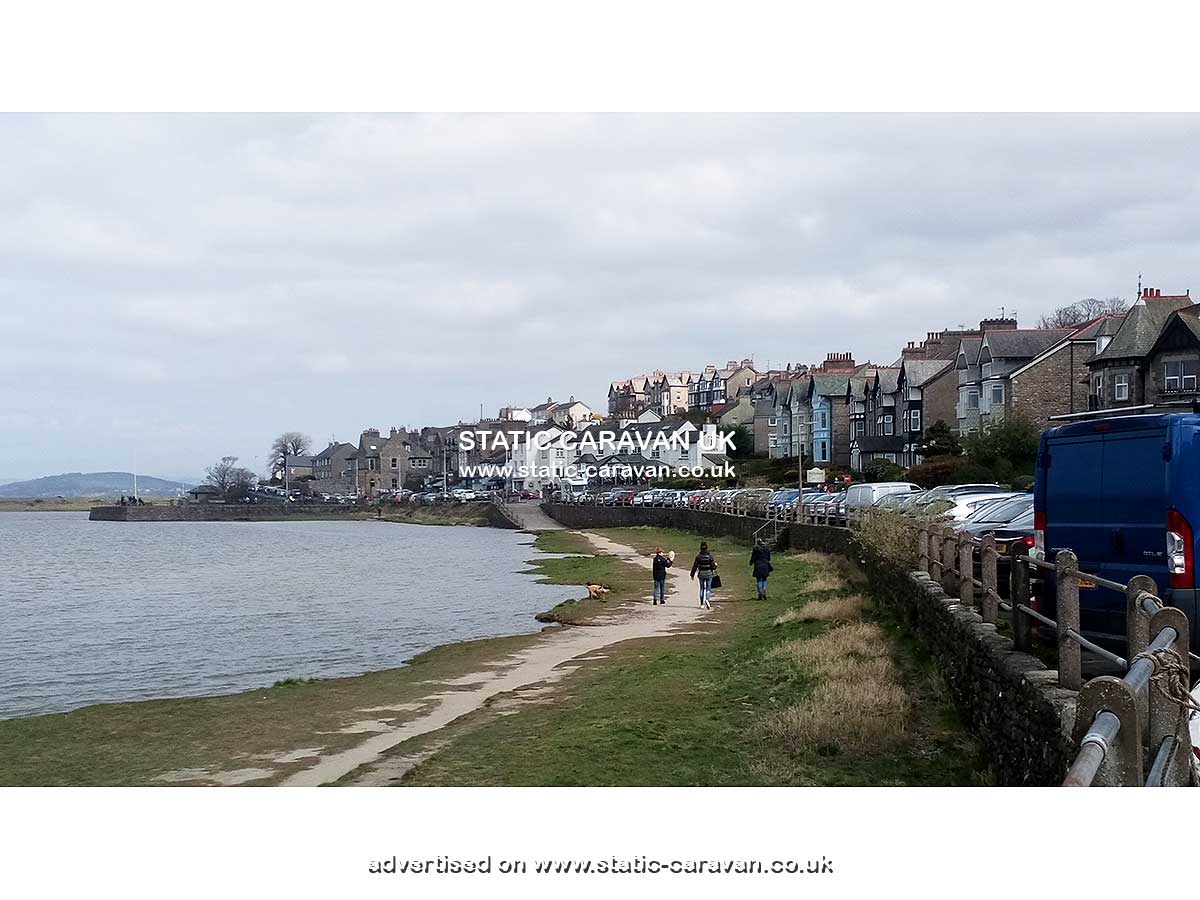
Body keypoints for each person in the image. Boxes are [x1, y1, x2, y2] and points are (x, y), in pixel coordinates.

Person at [689, 541, 718, 609]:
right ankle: (707, 600)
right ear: (707, 548)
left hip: (701, 574)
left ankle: (702, 604)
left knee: (702, 588)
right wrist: (716, 565)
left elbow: (695, 566)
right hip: (709, 574)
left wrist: (692, 574)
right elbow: (713, 567)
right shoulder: (710, 557)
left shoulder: (698, 557)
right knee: (708, 588)